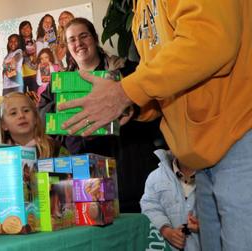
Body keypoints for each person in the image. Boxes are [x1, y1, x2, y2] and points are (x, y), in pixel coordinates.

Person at [59, 2, 252, 250]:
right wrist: (136, 107)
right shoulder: (140, 10)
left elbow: (211, 38)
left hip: (239, 137)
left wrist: (126, 92)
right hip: (204, 158)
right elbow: (169, 75)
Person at [41, 17, 162, 213]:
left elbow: (155, 106)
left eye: (84, 36)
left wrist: (128, 110)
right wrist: (68, 121)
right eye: (72, 39)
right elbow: (43, 120)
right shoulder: (57, 86)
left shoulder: (127, 70)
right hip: (87, 184)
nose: (78, 43)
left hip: (132, 174)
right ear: (67, 46)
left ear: (95, 39)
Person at [141, 149, 200, 251]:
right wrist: (166, 231)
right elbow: (150, 207)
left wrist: (205, 226)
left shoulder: (216, 176)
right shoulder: (155, 177)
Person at [0, 91, 68, 158]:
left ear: (35, 117)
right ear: (3, 124)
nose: (21, 115)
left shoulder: (55, 148)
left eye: (26, 110)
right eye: (13, 113)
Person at [18, 21, 39, 101]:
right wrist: (24, 53)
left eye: (27, 27)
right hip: (20, 76)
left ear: (31, 29)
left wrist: (34, 55)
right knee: (21, 101)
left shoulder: (34, 42)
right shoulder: (17, 43)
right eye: (23, 28)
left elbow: (35, 61)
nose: (25, 29)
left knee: (34, 100)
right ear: (20, 31)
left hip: (33, 74)